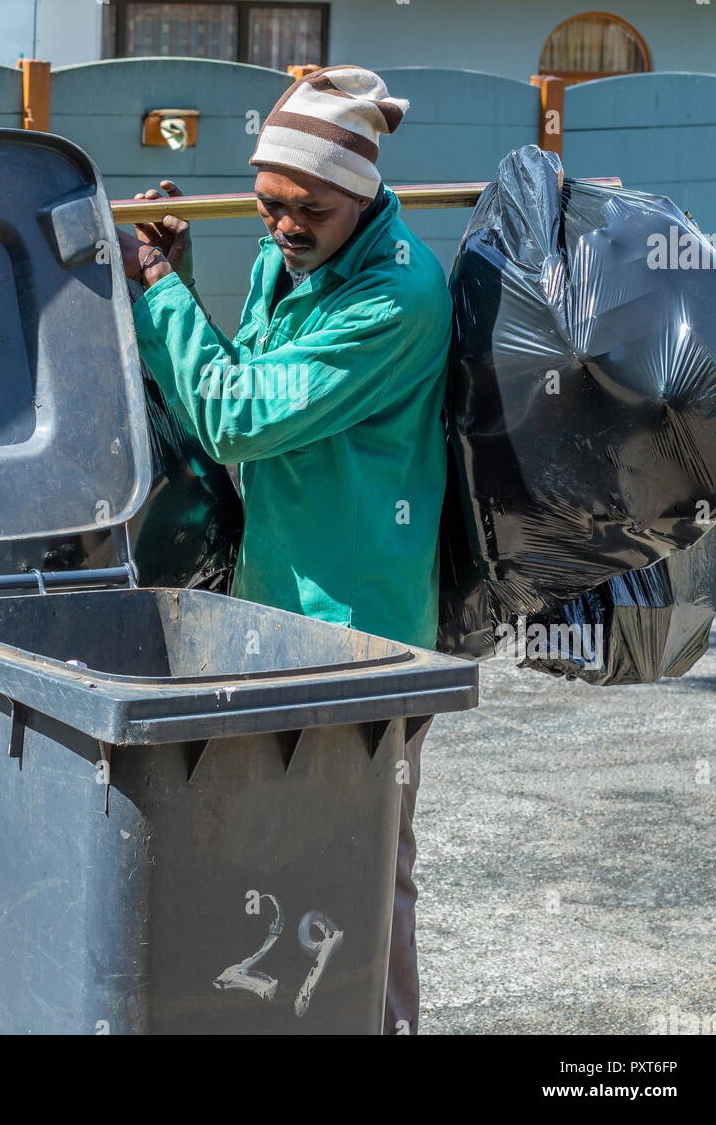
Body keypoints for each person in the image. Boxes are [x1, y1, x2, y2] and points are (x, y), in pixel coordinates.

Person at [116, 65, 452, 1034]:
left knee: (363, 865)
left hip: (361, 631)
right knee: (264, 858)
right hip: (274, 612)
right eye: (267, 204)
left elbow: (230, 413)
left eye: (311, 209)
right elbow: (244, 381)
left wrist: (156, 289)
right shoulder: (290, 263)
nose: (284, 226)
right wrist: (180, 282)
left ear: (366, 198)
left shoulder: (397, 299)